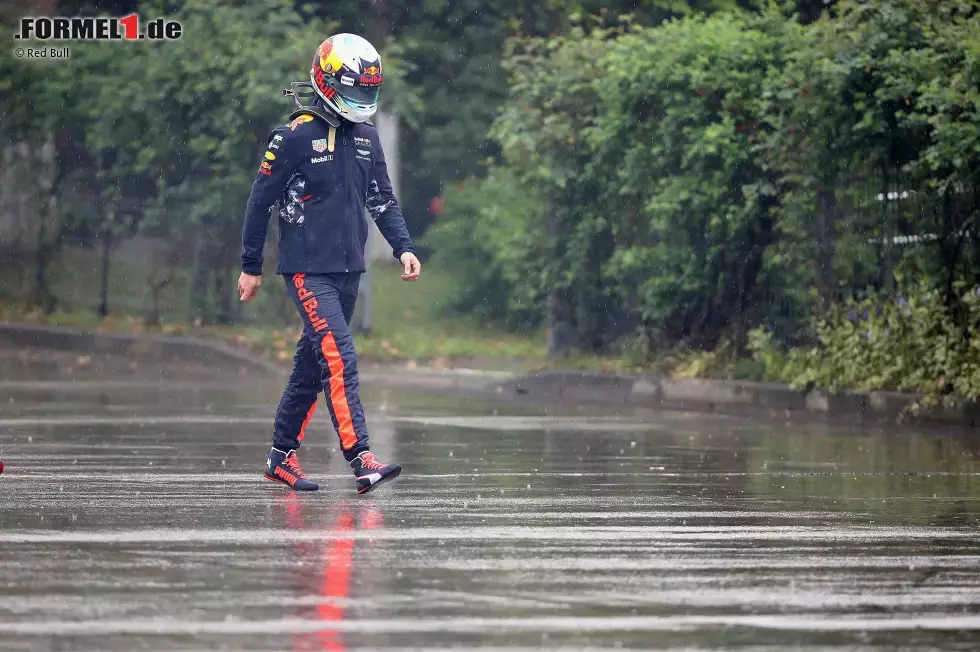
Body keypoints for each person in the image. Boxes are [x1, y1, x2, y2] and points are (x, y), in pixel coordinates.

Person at [238, 33, 421, 494]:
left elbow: (382, 200)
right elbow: (259, 203)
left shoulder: (367, 138)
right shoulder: (292, 137)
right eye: (354, 90)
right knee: (340, 358)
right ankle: (361, 458)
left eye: (367, 91)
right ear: (326, 81)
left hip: (349, 272)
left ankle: (281, 457)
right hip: (306, 270)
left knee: (311, 366)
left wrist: (404, 247)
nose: (361, 101)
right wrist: (251, 265)